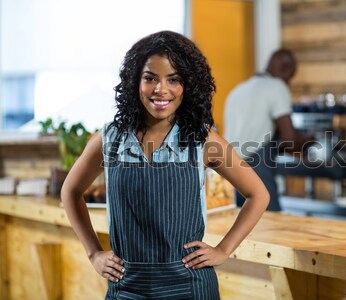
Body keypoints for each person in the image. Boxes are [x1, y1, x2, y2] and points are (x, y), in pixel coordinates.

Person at [61, 30, 269, 300]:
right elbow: (70, 191)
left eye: (174, 80)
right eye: (150, 78)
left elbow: (258, 194)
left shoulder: (202, 141)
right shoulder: (109, 139)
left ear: (188, 86)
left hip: (190, 287)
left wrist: (223, 250)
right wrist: (93, 252)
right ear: (135, 81)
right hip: (127, 288)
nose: (161, 89)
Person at [224, 49, 310, 212]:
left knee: (238, 226)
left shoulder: (238, 90)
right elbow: (290, 141)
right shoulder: (277, 86)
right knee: (271, 227)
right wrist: (312, 140)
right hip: (255, 171)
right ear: (285, 69)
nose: (288, 83)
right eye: (290, 77)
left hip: (227, 170)